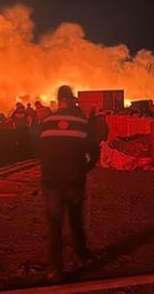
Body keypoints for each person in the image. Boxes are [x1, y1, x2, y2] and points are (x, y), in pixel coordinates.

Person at [38, 85, 100, 279]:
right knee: (75, 218)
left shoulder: (46, 122)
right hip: (74, 179)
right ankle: (81, 252)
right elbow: (94, 150)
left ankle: (54, 269)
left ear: (58, 101)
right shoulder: (81, 122)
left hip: (51, 181)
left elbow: (38, 150)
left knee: (55, 225)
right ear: (71, 100)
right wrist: (85, 168)